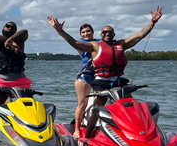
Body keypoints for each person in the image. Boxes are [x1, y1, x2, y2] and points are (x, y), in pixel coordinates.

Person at [47, 7, 163, 139]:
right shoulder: (95, 46)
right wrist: (59, 30)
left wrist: (153, 22)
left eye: (110, 32)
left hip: (119, 81)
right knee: (97, 111)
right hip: (101, 82)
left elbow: (140, 35)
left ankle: (139, 135)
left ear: (113, 35)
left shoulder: (121, 44)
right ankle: (88, 137)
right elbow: (74, 43)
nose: (107, 33)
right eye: (105, 32)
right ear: (101, 35)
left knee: (131, 107)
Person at [0, 21, 31, 136]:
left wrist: (11, 41)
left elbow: (25, 32)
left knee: (28, 109)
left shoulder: (20, 42)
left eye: (13, 27)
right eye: (7, 26)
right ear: (3, 28)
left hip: (20, 82)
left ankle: (30, 134)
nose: (10, 28)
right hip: (2, 81)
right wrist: (9, 41)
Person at [48, 21, 96, 137]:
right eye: (83, 32)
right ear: (81, 35)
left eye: (88, 31)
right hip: (86, 76)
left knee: (97, 104)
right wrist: (59, 30)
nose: (86, 34)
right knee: (82, 104)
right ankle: (77, 129)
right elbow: (69, 40)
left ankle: (95, 126)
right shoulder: (81, 44)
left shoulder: (100, 43)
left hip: (99, 75)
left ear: (93, 32)